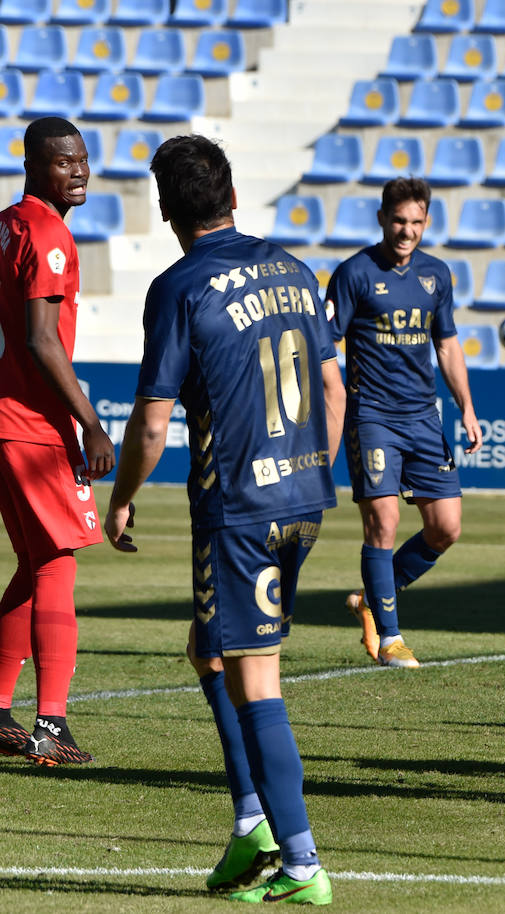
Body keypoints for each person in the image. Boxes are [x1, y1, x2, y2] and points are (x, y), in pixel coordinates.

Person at [104, 135, 344, 904]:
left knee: (254, 677)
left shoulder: (179, 288)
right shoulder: (296, 270)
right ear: (232, 192)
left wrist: (122, 496)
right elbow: (336, 395)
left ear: (169, 210)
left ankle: (302, 863)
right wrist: (309, 474)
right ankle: (250, 825)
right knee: (209, 652)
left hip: (238, 509)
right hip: (302, 496)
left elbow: (149, 428)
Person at [327, 177, 481, 669]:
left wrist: (467, 407)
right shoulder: (354, 273)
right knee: (383, 522)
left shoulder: (437, 275)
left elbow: (447, 345)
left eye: (416, 222)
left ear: (426, 222)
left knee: (445, 527)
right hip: (372, 416)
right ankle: (390, 639)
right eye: (398, 221)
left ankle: (373, 595)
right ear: (381, 219)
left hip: (422, 416)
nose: (406, 231)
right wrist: (334, 404)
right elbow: (327, 345)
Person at [0, 117, 114, 767]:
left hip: (6, 418)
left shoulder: (7, 223)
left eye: (83, 159)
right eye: (64, 162)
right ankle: (51, 724)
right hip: (35, 426)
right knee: (58, 562)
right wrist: (90, 424)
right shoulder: (46, 234)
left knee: (31, 562)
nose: (79, 171)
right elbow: (43, 340)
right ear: (35, 165)